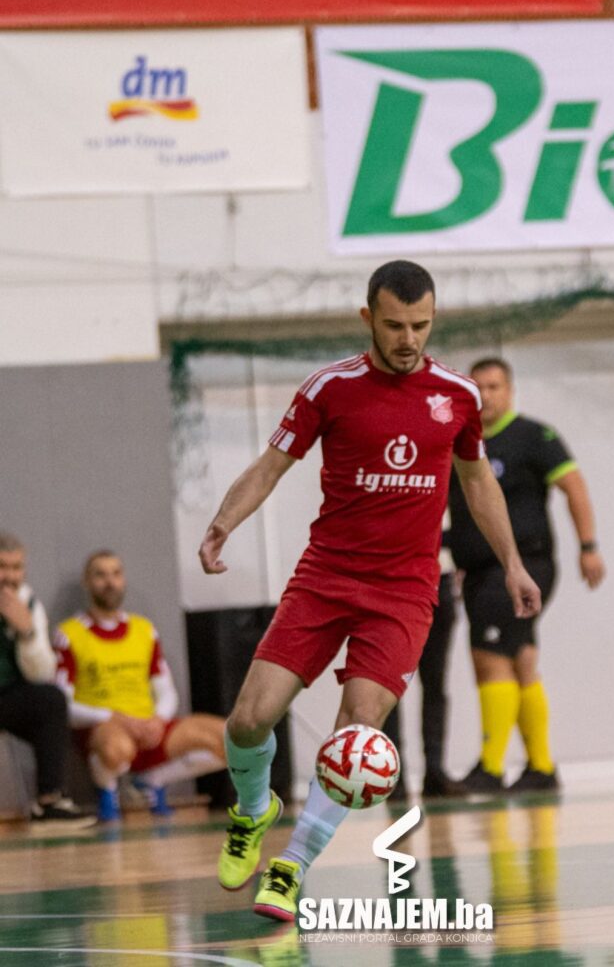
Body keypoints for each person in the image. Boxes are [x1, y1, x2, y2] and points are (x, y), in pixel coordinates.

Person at [198, 260, 541, 924]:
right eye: (394, 325)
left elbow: (477, 483)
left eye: (421, 324)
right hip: (326, 577)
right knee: (247, 719)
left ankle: (291, 866)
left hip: (405, 590)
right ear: (368, 319)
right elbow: (271, 465)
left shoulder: (457, 396)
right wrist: (222, 523)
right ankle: (251, 810)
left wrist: (514, 562)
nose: (408, 337)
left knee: (356, 735)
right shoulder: (330, 389)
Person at [448, 357, 605, 794]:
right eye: (478, 387)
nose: (486, 395)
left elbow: (574, 486)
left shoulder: (533, 437)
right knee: (522, 660)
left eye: (494, 386)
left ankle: (491, 768)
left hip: (521, 567)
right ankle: (541, 767)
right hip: (479, 572)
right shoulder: (459, 443)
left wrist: (588, 546)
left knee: (490, 658)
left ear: (510, 390)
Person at [54, 550, 227, 821]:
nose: (109, 582)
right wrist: (114, 718)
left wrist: (159, 719)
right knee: (117, 748)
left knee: (231, 739)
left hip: (147, 726)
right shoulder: (70, 634)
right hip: (104, 728)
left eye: (115, 573)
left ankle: (152, 781)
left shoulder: (143, 630)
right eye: (100, 575)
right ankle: (107, 791)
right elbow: (62, 703)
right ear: (87, 582)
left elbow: (165, 689)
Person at [0, 531, 96, 829]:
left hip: (6, 695)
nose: (10, 577)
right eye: (3, 567)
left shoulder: (28, 604)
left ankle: (50, 802)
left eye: (17, 568)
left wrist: (26, 633)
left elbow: (42, 674)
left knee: (51, 700)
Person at [383, 515, 466, 800]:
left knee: (435, 683)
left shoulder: (446, 476)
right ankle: (394, 775)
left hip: (438, 578)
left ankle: (435, 770)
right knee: (389, 687)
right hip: (394, 579)